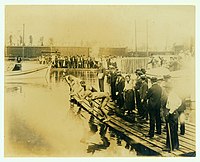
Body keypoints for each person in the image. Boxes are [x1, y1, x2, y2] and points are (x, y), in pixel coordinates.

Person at [163, 82, 182, 151]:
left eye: (166, 88)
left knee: (171, 130)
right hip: (174, 113)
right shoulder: (173, 94)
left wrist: (170, 112)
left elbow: (174, 105)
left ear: (168, 89)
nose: (165, 90)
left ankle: (170, 146)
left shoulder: (171, 95)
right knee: (174, 130)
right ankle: (175, 145)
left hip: (172, 114)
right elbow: (179, 102)